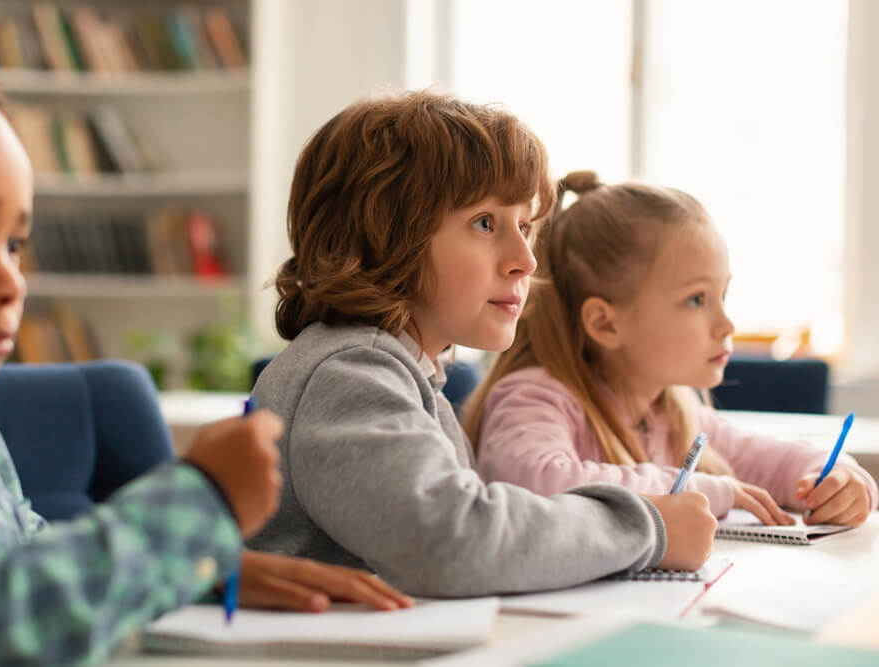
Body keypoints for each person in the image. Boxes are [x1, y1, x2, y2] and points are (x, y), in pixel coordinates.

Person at [0, 31, 408, 665]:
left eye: (15, 244)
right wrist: (200, 501)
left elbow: (40, 569)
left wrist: (202, 567)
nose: (9, 282)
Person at [247, 92, 718, 597]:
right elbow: (452, 540)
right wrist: (645, 527)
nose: (526, 260)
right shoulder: (347, 375)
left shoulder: (400, 371)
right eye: (486, 223)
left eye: (526, 226)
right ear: (383, 237)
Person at [465, 170, 877, 527]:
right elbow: (533, 485)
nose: (726, 325)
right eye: (697, 300)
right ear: (606, 323)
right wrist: (699, 491)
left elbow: (775, 461)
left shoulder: (673, 412)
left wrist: (838, 477)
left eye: (724, 296)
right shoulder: (533, 397)